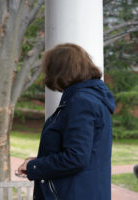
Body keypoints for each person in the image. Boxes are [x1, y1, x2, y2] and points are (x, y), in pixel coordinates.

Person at [17, 43, 115, 200]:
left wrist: (34, 167)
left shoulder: (81, 101)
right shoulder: (90, 99)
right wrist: (40, 161)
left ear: (60, 71)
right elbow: (82, 151)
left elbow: (76, 157)